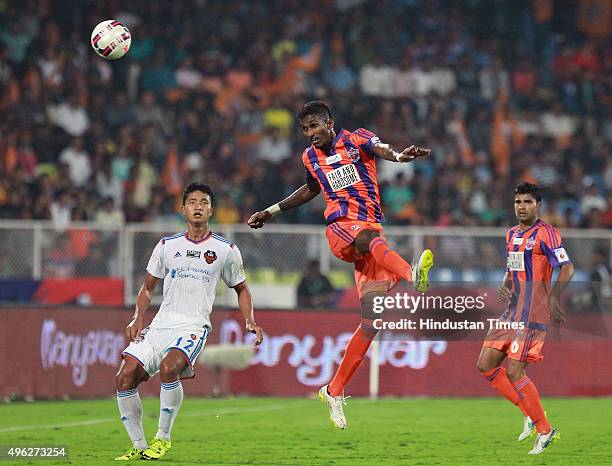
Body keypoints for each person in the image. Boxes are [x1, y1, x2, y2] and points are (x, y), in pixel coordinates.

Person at [248, 101, 434, 429]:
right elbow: (310, 189)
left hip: (371, 240)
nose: (310, 134)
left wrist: (401, 157)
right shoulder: (310, 158)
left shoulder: (357, 138)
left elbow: (381, 148)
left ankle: (333, 390)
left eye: (315, 126)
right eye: (305, 130)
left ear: (330, 122)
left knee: (371, 321)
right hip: (341, 230)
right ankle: (411, 272)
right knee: (365, 238)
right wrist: (271, 211)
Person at [114, 182, 264, 461]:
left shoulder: (225, 249)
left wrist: (250, 320)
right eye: (192, 201)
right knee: (124, 378)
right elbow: (148, 288)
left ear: (211, 210)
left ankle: (163, 438)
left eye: (204, 202)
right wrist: (137, 316)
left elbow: (241, 288)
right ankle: (139, 446)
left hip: (193, 325)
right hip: (161, 324)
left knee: (170, 368)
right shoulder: (166, 246)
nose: (198, 206)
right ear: (182, 209)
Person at [477, 182, 574, 455]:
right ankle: (530, 413)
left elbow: (567, 268)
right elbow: (512, 265)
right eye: (518, 202)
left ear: (538, 205)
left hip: (533, 311)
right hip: (511, 311)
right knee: (485, 364)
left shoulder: (548, 234)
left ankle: (545, 429)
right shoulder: (511, 234)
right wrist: (505, 283)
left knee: (515, 371)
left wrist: (554, 297)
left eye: (528, 202)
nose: (522, 207)